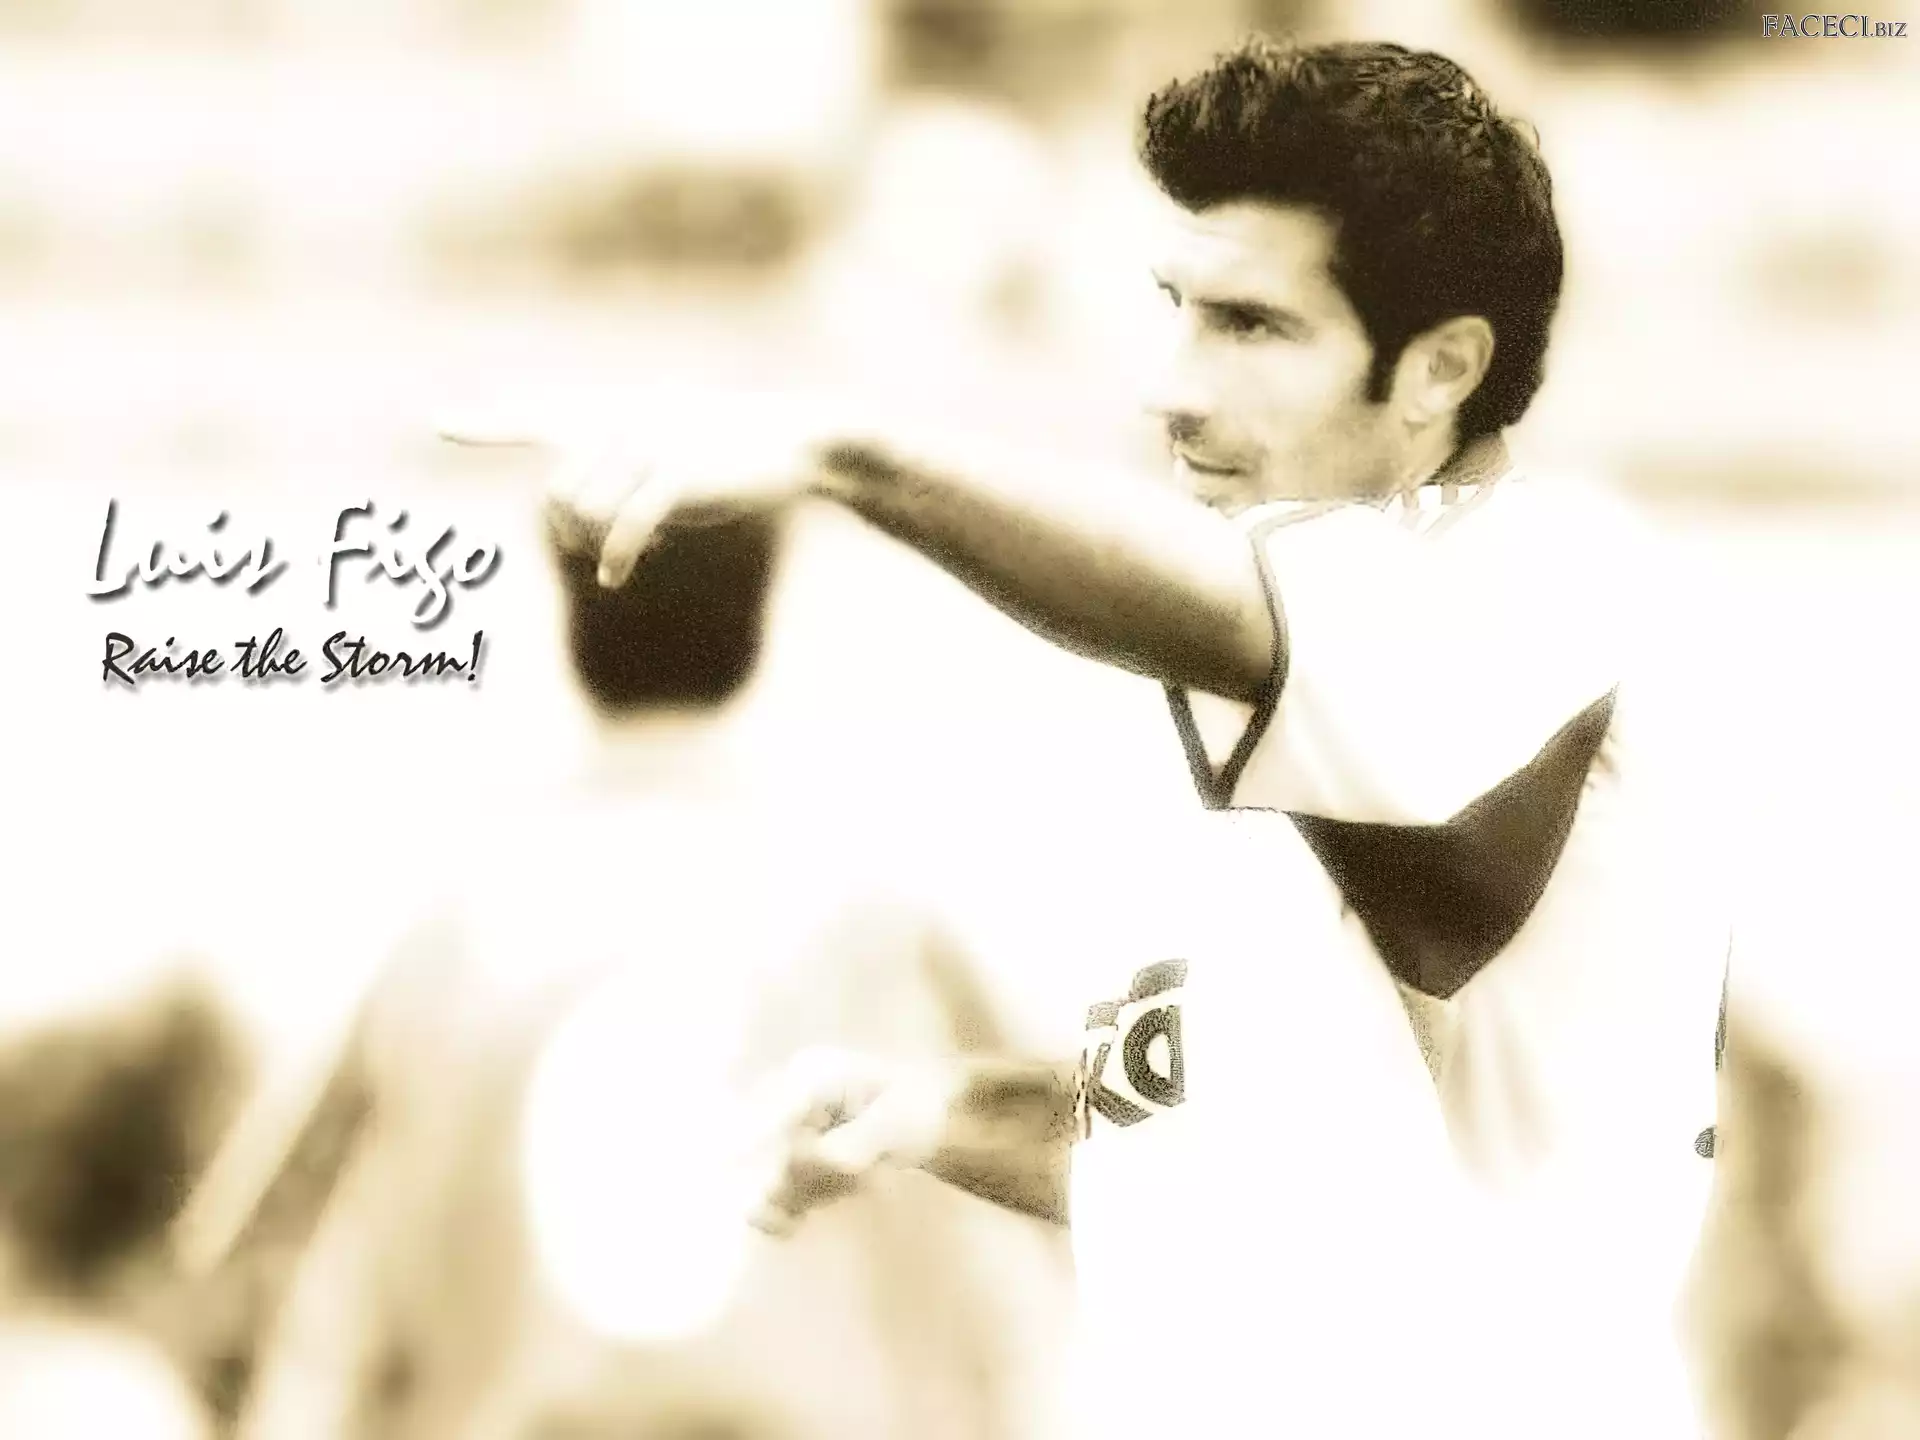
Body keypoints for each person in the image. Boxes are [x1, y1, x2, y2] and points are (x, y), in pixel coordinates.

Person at [449, 33, 1733, 1439]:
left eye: (1252, 327)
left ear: (1442, 368)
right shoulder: (1303, 704)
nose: (1171, 387)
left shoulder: (1546, 589)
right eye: (1176, 308)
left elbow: (1223, 609)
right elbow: (1236, 1161)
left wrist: (841, 453)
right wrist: (942, 1111)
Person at [202, 514, 1074, 1440]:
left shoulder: (451, 924)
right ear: (758, 609)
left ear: (571, 610)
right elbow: (1022, 1256)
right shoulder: (874, 916)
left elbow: (299, 1280)